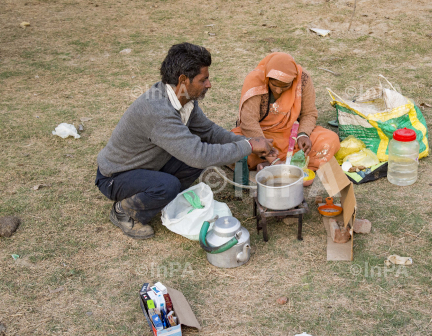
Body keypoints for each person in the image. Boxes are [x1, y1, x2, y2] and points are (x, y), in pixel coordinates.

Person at [95, 43, 277, 239]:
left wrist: (251, 143)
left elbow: (209, 132)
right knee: (169, 184)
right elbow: (198, 156)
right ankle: (124, 211)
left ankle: (161, 198)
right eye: (203, 79)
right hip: (115, 176)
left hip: (148, 165)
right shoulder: (157, 110)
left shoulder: (184, 98)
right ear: (183, 80)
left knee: (193, 157)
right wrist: (248, 146)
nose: (209, 84)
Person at [232, 52, 340, 171]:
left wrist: (303, 134)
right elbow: (248, 122)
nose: (278, 90)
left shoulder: (302, 79)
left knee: (330, 139)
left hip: (291, 135)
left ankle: (283, 165)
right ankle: (286, 163)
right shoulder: (255, 81)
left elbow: (309, 113)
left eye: (285, 86)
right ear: (268, 78)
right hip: (260, 136)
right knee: (234, 148)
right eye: (274, 85)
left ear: (293, 81)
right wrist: (270, 156)